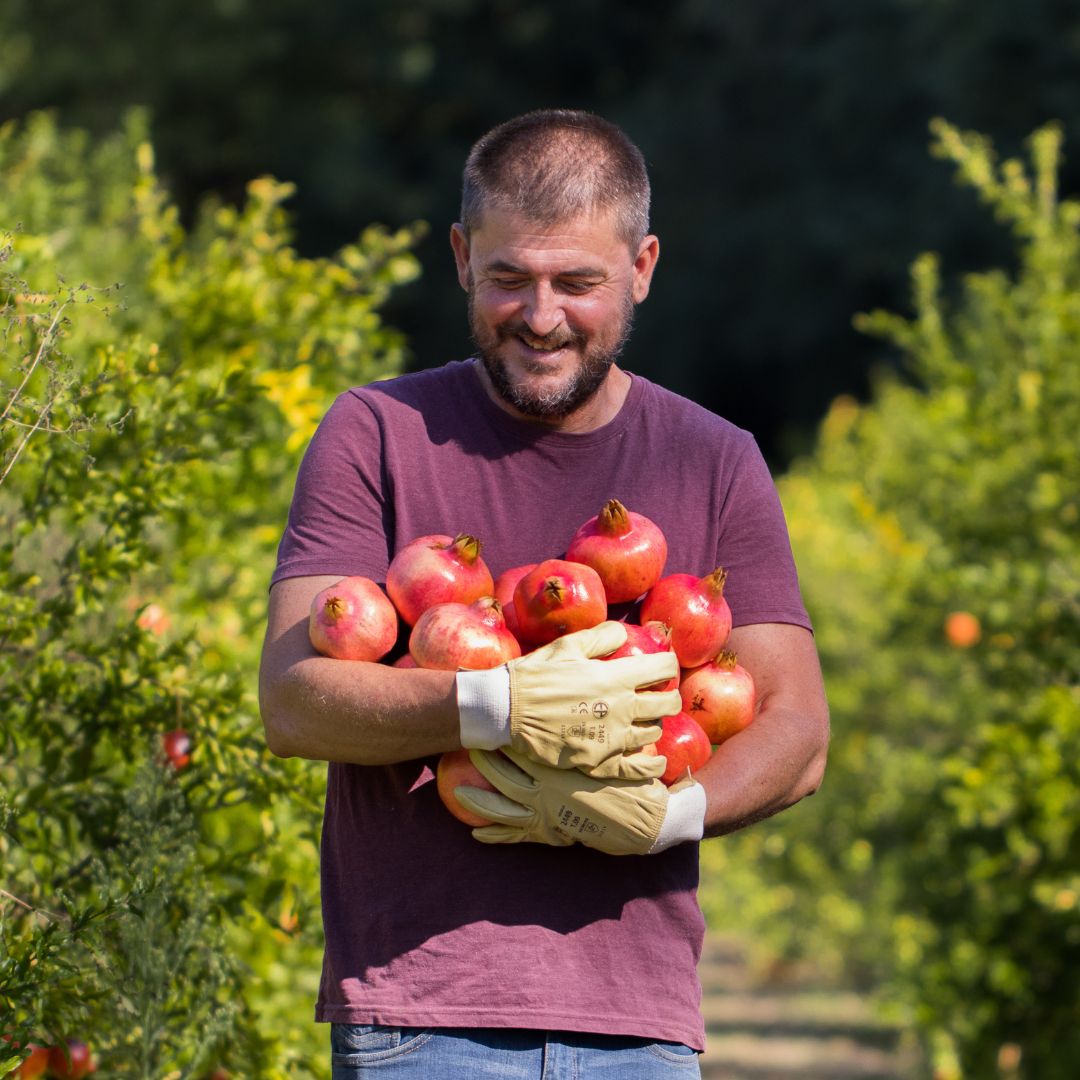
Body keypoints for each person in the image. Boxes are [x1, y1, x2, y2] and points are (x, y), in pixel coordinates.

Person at [259, 108, 830, 1079]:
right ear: (459, 257)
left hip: (637, 1024)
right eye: (509, 278)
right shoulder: (376, 434)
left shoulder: (714, 460)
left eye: (579, 282)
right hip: (420, 1009)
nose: (542, 314)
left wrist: (667, 816)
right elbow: (295, 702)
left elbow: (798, 731)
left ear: (642, 267)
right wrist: (496, 704)